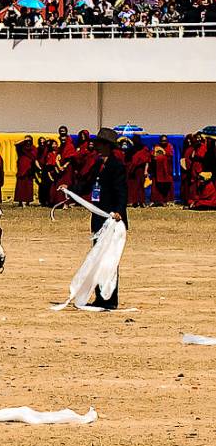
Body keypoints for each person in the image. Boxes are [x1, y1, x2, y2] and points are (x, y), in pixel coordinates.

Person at [87, 127, 128, 310]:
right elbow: (86, 184)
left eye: (99, 142)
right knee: (97, 258)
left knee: (110, 260)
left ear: (106, 146)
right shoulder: (97, 165)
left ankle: (110, 299)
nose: (95, 145)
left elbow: (121, 191)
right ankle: (100, 297)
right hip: (98, 218)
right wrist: (69, 189)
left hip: (112, 220)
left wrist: (119, 210)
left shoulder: (117, 166)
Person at [125, 137, 150, 207]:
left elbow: (147, 161)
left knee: (139, 186)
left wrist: (145, 170)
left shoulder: (143, 149)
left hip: (139, 170)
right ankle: (135, 202)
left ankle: (140, 201)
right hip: (134, 170)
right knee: (135, 186)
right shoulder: (132, 150)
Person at [149, 136, 174, 205]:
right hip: (157, 170)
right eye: (162, 141)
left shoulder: (169, 147)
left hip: (166, 170)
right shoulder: (156, 147)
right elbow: (152, 155)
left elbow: (169, 155)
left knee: (167, 186)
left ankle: (167, 200)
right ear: (160, 141)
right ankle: (156, 200)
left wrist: (161, 157)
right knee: (156, 186)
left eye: (165, 141)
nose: (164, 142)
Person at [14, 136, 37, 206]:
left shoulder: (33, 148)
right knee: (20, 186)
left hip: (29, 169)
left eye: (29, 140)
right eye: (27, 141)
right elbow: (16, 144)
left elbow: (35, 158)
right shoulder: (21, 148)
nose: (28, 142)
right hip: (22, 169)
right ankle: (20, 201)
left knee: (28, 186)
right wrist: (24, 139)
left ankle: (27, 201)